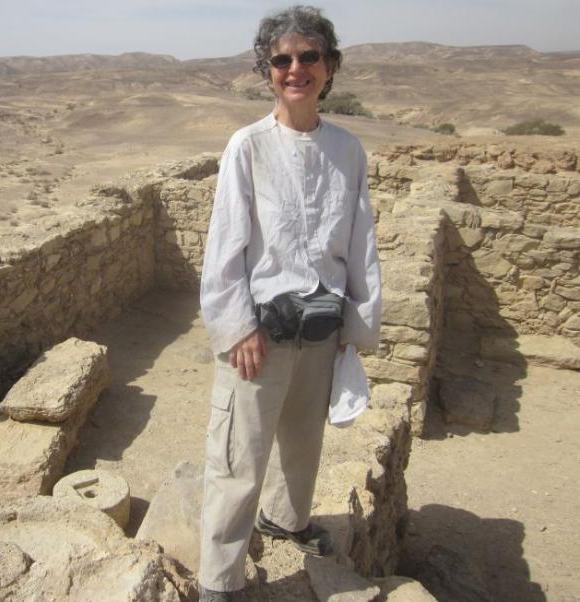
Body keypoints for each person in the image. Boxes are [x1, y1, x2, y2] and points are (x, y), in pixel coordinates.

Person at [197, 5, 382, 600]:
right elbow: (225, 244)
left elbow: (360, 243)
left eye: (309, 57)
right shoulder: (247, 146)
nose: (295, 68)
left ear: (329, 67)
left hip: (321, 329)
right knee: (237, 458)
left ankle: (286, 519)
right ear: (266, 70)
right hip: (260, 335)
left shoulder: (348, 149)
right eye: (282, 59)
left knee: (303, 442)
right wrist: (235, 328)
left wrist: (355, 327)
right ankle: (219, 582)